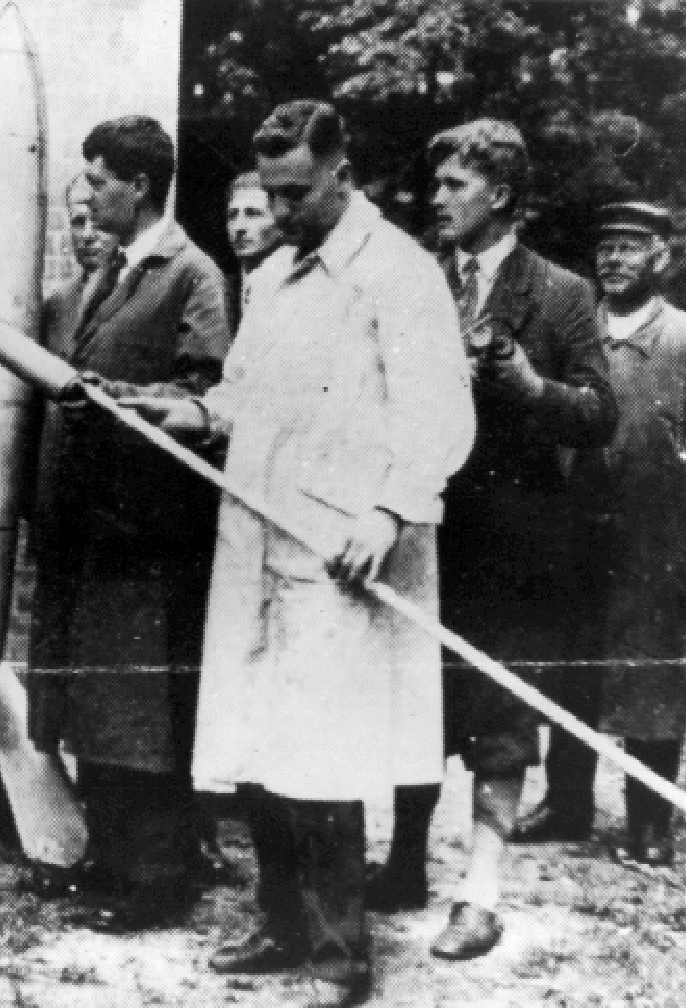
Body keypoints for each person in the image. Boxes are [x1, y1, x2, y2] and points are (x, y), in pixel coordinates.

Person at [127, 99, 474, 1007]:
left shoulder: (396, 272)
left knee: (323, 751)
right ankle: (279, 924)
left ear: (340, 175)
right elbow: (242, 396)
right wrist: (190, 413)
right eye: (269, 195)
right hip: (257, 534)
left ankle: (339, 954)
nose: (277, 213)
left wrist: (389, 511)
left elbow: (440, 412)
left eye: (294, 194)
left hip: (341, 549)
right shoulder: (275, 275)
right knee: (258, 738)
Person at [367, 119, 616, 961]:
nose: (436, 199)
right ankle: (403, 864)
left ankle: (479, 894)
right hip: (427, 528)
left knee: (501, 718)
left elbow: (600, 413)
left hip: (515, 544)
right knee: (416, 700)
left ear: (500, 195)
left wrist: (531, 385)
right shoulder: (416, 280)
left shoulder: (562, 293)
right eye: (436, 185)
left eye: (453, 186)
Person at [25, 115, 232, 933]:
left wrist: (133, 406)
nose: (90, 193)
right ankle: (111, 858)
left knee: (145, 707)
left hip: (149, 532)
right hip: (91, 524)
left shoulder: (191, 275)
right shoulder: (110, 273)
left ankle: (159, 879)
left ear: (141, 185)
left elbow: (205, 393)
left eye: (102, 180)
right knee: (99, 701)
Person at [521, 201, 686, 866]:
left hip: (654, 542)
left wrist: (678, 515)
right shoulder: (574, 332)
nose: (615, 259)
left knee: (653, 672)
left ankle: (650, 821)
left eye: (632, 247)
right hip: (574, 531)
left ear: (662, 258)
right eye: (607, 247)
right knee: (570, 665)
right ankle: (566, 804)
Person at [224, 169, 283, 321]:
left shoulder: (300, 288)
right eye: (232, 215)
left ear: (280, 221)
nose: (239, 227)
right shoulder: (219, 290)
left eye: (253, 214)